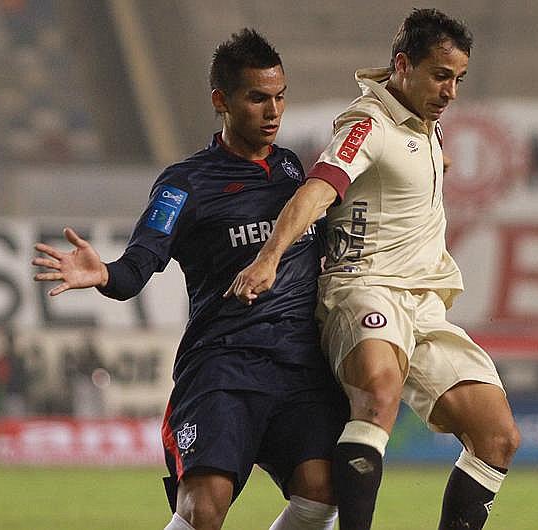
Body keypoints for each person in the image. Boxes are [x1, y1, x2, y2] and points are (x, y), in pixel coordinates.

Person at [32, 29, 347, 530]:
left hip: (299, 367)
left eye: (280, 96)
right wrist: (104, 273)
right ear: (221, 100)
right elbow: (138, 265)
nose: (273, 111)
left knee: (325, 493)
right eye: (257, 98)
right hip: (224, 365)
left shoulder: (293, 171)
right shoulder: (185, 184)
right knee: (205, 508)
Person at [225, 9, 520, 530]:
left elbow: (404, 168)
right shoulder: (367, 124)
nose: (451, 91)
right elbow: (317, 189)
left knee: (497, 436)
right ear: (403, 65)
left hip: (424, 304)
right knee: (379, 393)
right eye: (440, 75)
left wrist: (435, 161)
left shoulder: (425, 126)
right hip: (363, 289)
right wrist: (268, 258)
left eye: (458, 79)